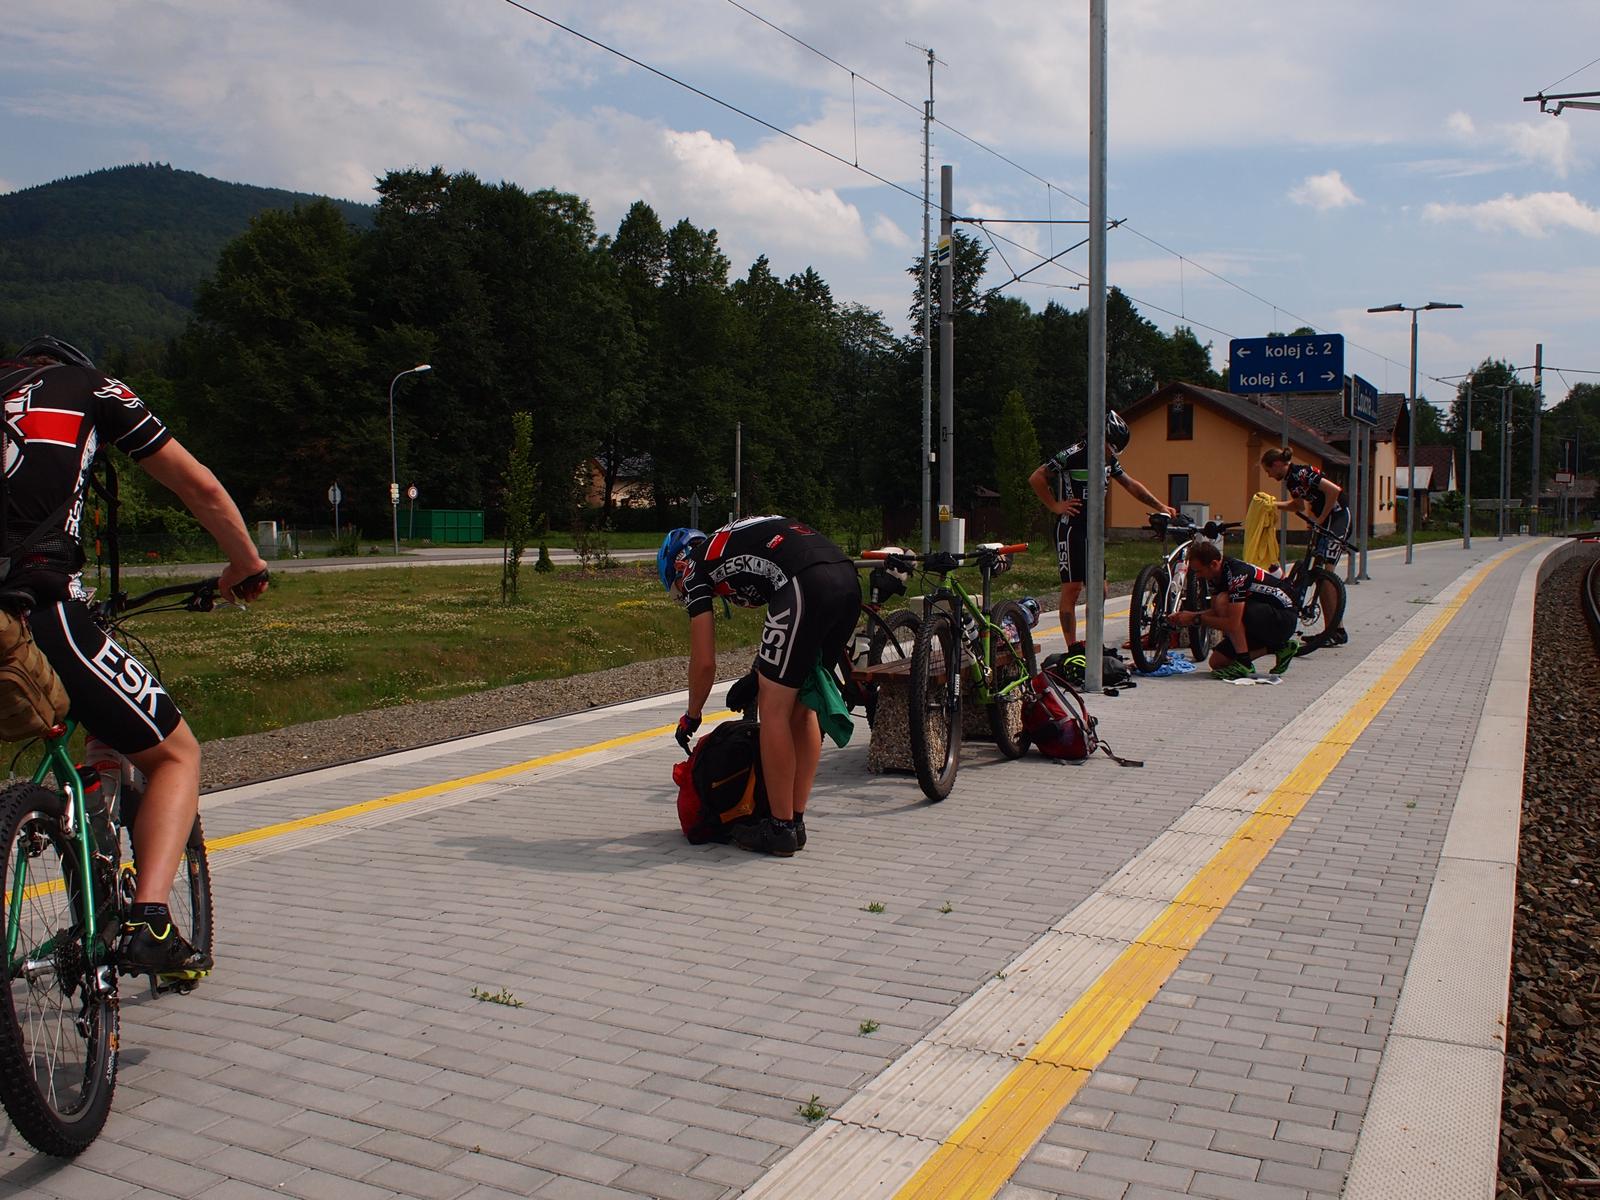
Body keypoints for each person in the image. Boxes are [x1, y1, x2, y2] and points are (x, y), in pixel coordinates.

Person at [0, 336, 268, 976]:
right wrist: (245, 564)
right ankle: (151, 920)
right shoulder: (92, 387)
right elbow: (198, 486)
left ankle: (80, 833)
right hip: (37, 610)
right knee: (177, 754)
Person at [659, 516, 859, 857]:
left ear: (677, 566)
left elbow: (704, 661)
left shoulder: (692, 569)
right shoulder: (726, 544)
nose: (684, 598)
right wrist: (758, 673)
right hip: (845, 579)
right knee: (802, 706)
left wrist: (692, 715)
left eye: (679, 594)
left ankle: (780, 828)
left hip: (803, 581)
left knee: (774, 708)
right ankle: (794, 821)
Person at [1028, 411, 1176, 647]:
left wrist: (1160, 506)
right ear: (1101, 438)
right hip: (1071, 528)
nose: (1111, 455)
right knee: (1073, 588)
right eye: (1111, 448)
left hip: (1093, 531)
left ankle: (1093, 642)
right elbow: (1037, 477)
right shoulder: (1073, 454)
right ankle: (1072, 646)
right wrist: (1055, 506)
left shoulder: (1109, 460)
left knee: (1100, 589)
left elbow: (1130, 484)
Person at [1260, 446, 1350, 648]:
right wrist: (1271, 504)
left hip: (1339, 518)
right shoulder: (1291, 481)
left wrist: (1320, 519)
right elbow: (1297, 506)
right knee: (1319, 575)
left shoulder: (1302, 473)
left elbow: (1334, 491)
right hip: (1325, 522)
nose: (1269, 475)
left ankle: (1336, 631)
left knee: (1326, 576)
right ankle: (1334, 630)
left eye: (1268, 470)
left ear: (1277, 464)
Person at [1173, 539, 1299, 679]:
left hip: (1283, 618)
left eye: (1199, 571)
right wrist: (1187, 616)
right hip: (1261, 617)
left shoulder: (1237, 575)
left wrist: (1195, 619)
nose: (1197, 576)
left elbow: (1232, 623)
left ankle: (1244, 663)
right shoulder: (1214, 575)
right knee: (1217, 662)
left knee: (1223, 600)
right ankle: (1280, 648)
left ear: (1213, 564)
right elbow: (1216, 613)